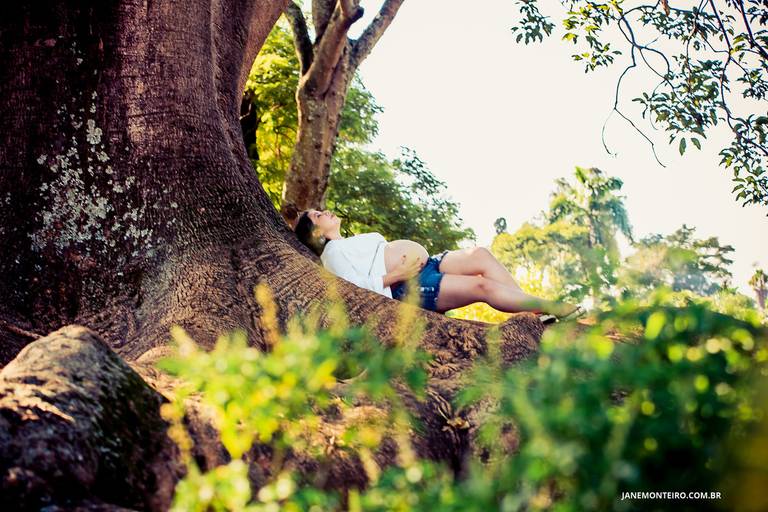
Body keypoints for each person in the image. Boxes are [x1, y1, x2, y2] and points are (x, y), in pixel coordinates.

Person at [293, 209, 584, 320]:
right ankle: (548, 307)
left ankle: (530, 313)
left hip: (428, 265)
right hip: (407, 286)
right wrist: (398, 274)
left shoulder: (346, 243)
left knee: (480, 255)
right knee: (481, 286)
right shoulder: (331, 254)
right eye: (318, 215)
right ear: (316, 232)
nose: (326, 211)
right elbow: (351, 290)